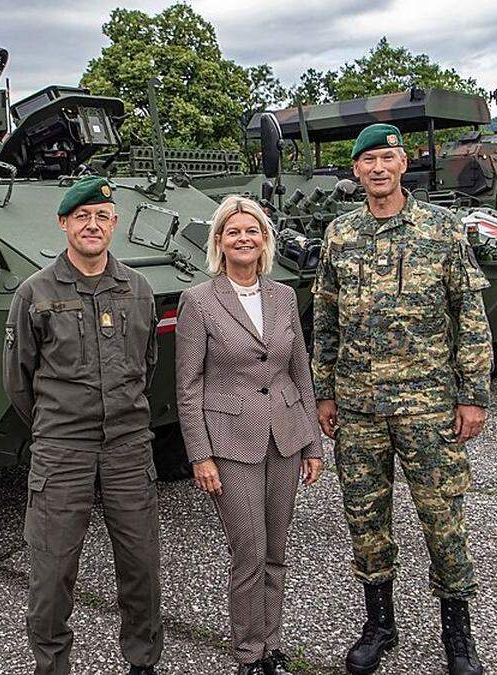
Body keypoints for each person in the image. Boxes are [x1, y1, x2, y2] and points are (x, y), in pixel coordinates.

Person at [312, 124, 492, 675]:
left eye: (387, 157)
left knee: (443, 520)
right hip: (358, 408)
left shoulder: (441, 230)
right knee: (365, 520)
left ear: (403, 162)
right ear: (356, 171)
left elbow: (470, 315)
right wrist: (324, 392)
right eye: (367, 161)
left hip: (428, 405)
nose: (378, 168)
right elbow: (325, 317)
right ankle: (379, 624)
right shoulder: (340, 234)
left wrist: (474, 395)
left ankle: (457, 638)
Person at [3, 176, 163, 675]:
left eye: (102, 216)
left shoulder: (137, 289)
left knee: (140, 566)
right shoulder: (36, 291)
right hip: (62, 450)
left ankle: (142, 662)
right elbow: (18, 379)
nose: (92, 226)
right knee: (51, 572)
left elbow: (147, 365)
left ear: (114, 223)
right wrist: (60, 425)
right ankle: (51, 667)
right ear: (63, 224)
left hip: (128, 448)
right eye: (81, 217)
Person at [175, 195, 324, 675]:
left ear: (265, 240)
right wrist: (200, 455)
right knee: (250, 549)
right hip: (231, 443)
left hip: (284, 435)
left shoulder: (283, 296)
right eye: (233, 231)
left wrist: (312, 444)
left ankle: (272, 648)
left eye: (252, 230)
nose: (244, 238)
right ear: (219, 242)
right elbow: (188, 386)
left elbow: (300, 373)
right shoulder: (198, 300)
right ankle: (248, 654)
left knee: (277, 550)